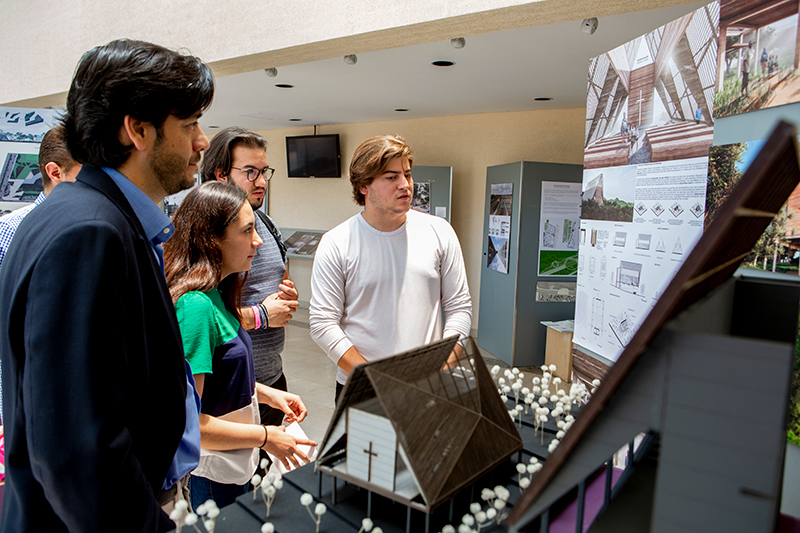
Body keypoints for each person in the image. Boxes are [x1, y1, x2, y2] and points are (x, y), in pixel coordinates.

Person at [0, 39, 214, 532]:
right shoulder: (89, 233)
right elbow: (79, 452)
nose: (202, 141)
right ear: (137, 130)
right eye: (189, 125)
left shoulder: (85, 214)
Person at [164, 181, 315, 510]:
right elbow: (192, 422)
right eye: (247, 231)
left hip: (232, 464)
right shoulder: (195, 308)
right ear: (211, 238)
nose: (258, 242)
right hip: (212, 473)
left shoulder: (218, 293)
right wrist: (267, 436)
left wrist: (267, 393)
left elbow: (220, 376)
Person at [309, 135, 472, 401]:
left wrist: (444, 368)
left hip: (429, 384)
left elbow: (459, 307)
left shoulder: (439, 231)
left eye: (407, 175)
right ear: (364, 185)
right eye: (391, 177)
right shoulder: (337, 242)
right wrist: (375, 378)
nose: (405, 185)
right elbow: (322, 323)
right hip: (362, 386)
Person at [201, 127, 299, 428]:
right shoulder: (204, 234)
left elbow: (279, 278)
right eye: (251, 172)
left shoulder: (266, 224)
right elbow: (192, 315)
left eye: (264, 171)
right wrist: (260, 316)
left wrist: (287, 297)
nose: (262, 181)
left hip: (269, 380)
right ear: (220, 174)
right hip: (227, 387)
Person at [0, 125, 81, 426]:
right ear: (55, 172)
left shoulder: (99, 227)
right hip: (22, 396)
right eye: (85, 173)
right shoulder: (10, 230)